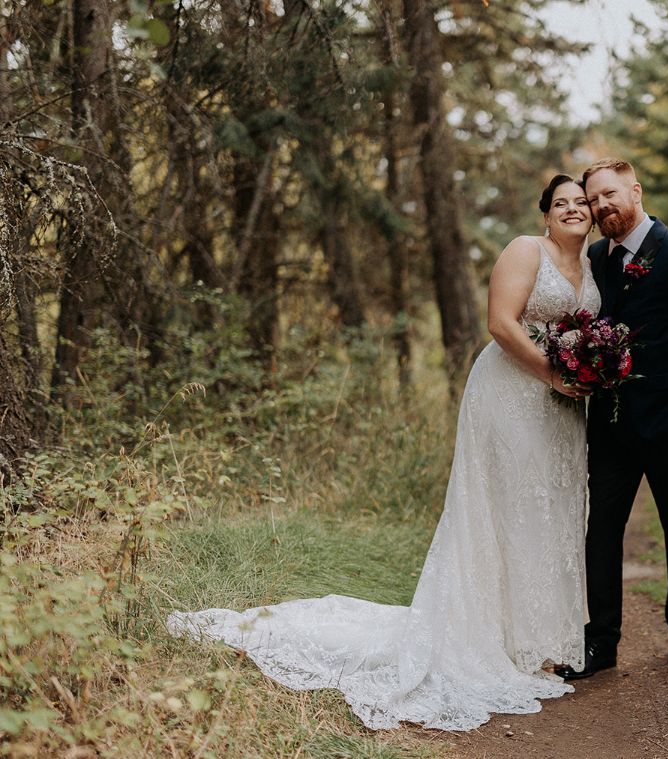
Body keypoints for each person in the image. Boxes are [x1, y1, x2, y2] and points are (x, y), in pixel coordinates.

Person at [168, 175, 600, 731]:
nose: (572, 209)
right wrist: (552, 373)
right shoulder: (525, 250)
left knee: (552, 512)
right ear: (546, 215)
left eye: (580, 202)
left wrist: (585, 372)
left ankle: (539, 641)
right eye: (561, 202)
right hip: (513, 394)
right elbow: (500, 323)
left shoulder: (592, 265)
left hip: (561, 408)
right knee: (512, 508)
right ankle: (500, 643)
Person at [556, 157, 668, 681]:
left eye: (609, 194)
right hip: (609, 427)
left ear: (636, 191)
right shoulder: (596, 258)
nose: (601, 205)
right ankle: (600, 642)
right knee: (601, 532)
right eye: (593, 199)